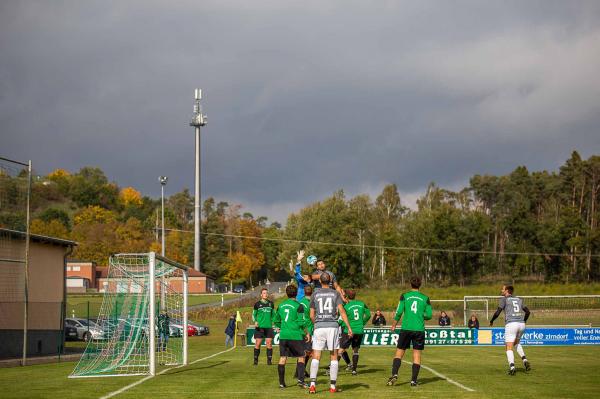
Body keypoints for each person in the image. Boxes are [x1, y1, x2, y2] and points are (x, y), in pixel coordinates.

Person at [308, 273, 353, 394]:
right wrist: (349, 327)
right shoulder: (335, 293)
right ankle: (332, 387)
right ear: (330, 281)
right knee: (333, 356)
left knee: (316, 356)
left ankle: (312, 385)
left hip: (319, 327)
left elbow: (311, 315)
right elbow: (342, 311)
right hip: (332, 327)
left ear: (320, 282)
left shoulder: (315, 294)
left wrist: (316, 324)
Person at [387, 276, 432, 387]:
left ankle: (395, 374)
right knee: (416, 355)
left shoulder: (405, 296)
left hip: (406, 328)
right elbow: (429, 315)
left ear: (410, 284)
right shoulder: (425, 298)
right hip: (419, 330)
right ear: (420, 285)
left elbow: (399, 312)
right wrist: (421, 316)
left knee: (399, 353)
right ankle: (413, 381)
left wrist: (394, 325)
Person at [273, 284, 310, 389]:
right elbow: (301, 321)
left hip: (284, 335)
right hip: (296, 335)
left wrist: (283, 327)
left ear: (286, 293)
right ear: (297, 293)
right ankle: (301, 381)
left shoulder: (281, 305)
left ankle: (281, 383)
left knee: (283, 358)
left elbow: (276, 321)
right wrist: (306, 332)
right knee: (301, 357)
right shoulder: (299, 306)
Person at [489, 284, 531, 375]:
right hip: (521, 324)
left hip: (511, 324)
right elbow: (528, 311)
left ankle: (512, 368)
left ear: (507, 291)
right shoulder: (519, 299)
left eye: (503, 289)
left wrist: (492, 320)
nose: (501, 290)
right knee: (516, 343)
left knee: (508, 346)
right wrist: (523, 321)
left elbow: (498, 312)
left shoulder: (504, 299)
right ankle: (524, 360)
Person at [338, 289, 371, 375]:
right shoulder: (362, 304)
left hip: (349, 331)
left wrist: (342, 325)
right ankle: (354, 370)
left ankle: (332, 368)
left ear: (347, 296)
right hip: (359, 331)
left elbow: (341, 319)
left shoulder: (346, 306)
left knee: (340, 350)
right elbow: (368, 315)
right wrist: (362, 323)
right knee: (355, 350)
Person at [252, 288, 275, 365]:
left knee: (269, 343)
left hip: (268, 327)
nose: (266, 294)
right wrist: (255, 321)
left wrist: (274, 323)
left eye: (266, 293)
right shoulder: (257, 304)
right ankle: (255, 360)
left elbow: (273, 315)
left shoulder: (271, 304)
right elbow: (253, 315)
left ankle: (269, 361)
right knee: (258, 343)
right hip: (260, 327)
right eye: (264, 293)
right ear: (261, 295)